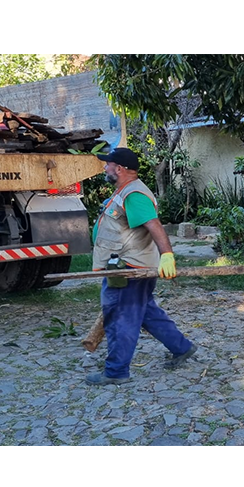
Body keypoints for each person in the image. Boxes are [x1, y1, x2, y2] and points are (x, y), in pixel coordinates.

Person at [86, 147, 197, 386]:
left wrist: (167, 255)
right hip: (130, 266)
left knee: (120, 317)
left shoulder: (134, 194)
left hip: (129, 269)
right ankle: (182, 347)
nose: (105, 168)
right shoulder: (125, 191)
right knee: (145, 312)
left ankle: (116, 371)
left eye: (108, 164)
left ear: (119, 169)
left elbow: (154, 224)